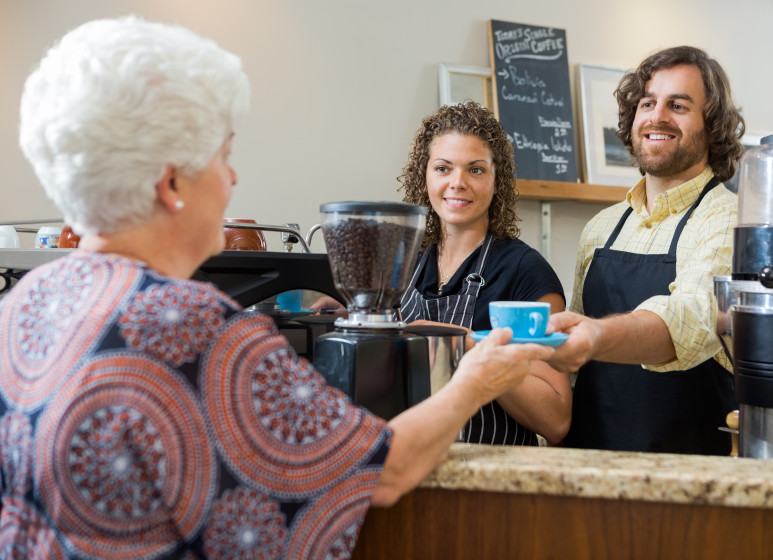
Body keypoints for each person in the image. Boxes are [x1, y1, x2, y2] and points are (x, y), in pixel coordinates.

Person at [0, 17, 554, 560]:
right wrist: (472, 382)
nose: (233, 178)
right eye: (224, 156)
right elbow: (380, 474)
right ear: (171, 183)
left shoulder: (27, 300)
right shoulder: (197, 327)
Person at [544, 46, 744, 455]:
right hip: (589, 464)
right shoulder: (600, 227)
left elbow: (695, 317)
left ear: (713, 124)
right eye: (647, 103)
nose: (657, 116)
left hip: (689, 474)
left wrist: (597, 334)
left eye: (679, 105)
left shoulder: (728, 218)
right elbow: (576, 371)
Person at [398, 102, 572, 447]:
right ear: (425, 175)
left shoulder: (525, 272)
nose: (457, 182)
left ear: (497, 180)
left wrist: (471, 346)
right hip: (407, 468)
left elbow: (555, 419)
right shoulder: (403, 262)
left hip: (491, 483)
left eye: (475, 170)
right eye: (443, 168)